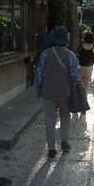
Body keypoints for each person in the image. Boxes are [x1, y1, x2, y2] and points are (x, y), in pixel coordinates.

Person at [35, 26, 80, 158]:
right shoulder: (70, 55)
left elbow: (39, 75)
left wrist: (38, 91)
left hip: (48, 93)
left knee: (49, 119)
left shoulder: (45, 54)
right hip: (65, 92)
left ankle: (51, 148)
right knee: (65, 116)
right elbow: (74, 76)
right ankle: (64, 142)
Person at [77, 31, 94, 96]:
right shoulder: (92, 46)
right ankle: (85, 96)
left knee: (80, 82)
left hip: (81, 66)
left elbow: (78, 53)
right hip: (89, 67)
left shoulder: (81, 45)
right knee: (87, 83)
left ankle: (79, 96)